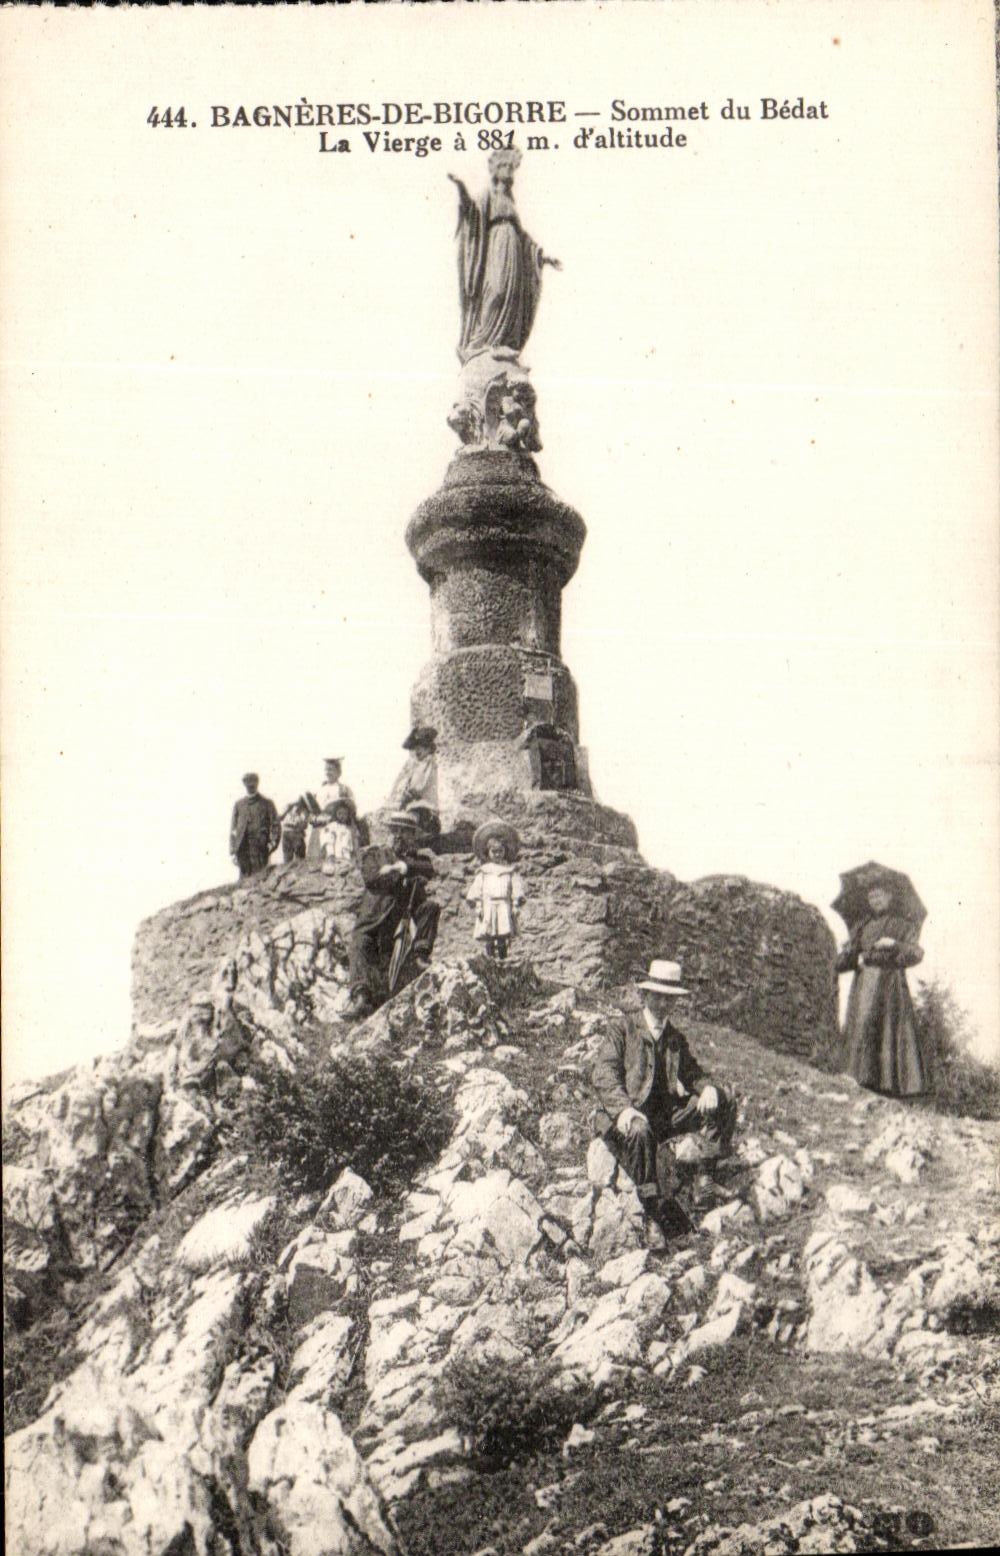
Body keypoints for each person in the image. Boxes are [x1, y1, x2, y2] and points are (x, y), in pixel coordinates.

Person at [589, 959, 737, 1249]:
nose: (663, 1002)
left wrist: (707, 1088)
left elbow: (693, 1073)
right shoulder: (623, 1028)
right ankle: (652, 1211)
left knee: (724, 1097)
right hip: (626, 1117)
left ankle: (705, 1177)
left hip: (664, 1119)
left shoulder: (674, 1039)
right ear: (646, 995)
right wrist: (623, 1108)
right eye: (657, 995)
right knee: (641, 1131)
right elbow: (603, 1073)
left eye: (669, 997)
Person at [449, 149, 561, 366]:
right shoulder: (487, 195)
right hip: (496, 247)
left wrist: (542, 257)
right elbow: (472, 213)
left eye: (511, 167)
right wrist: (461, 188)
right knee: (496, 290)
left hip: (514, 251)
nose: (509, 171)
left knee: (512, 298)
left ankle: (502, 342)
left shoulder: (511, 202)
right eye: (505, 167)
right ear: (495, 170)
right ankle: (479, 343)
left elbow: (523, 236)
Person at [346, 809, 440, 1018]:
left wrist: (404, 866)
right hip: (374, 917)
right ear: (390, 832)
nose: (399, 836)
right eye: (396, 830)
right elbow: (372, 878)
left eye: (405, 832)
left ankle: (420, 954)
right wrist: (400, 873)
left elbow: (429, 868)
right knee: (360, 944)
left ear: (412, 836)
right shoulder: (375, 854)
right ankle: (361, 996)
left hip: (400, 916)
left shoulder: (415, 859)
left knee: (430, 907)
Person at [836, 884, 928, 1096]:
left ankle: (885, 1086)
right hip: (864, 985)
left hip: (890, 987)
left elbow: (916, 953)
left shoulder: (904, 925)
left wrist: (894, 944)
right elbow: (846, 961)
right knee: (862, 1027)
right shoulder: (862, 926)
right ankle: (859, 1080)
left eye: (878, 895)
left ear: (890, 896)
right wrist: (849, 952)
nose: (874, 900)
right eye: (870, 897)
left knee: (887, 1032)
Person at [466, 821, 526, 961]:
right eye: (494, 851)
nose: (497, 854)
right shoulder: (483, 872)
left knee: (501, 935)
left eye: (500, 851)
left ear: (505, 852)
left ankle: (503, 958)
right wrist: (478, 906)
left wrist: (515, 904)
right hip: (488, 905)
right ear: (488, 852)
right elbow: (477, 891)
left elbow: (515, 889)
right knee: (489, 934)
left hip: (503, 905)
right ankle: (490, 959)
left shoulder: (509, 871)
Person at [229, 773, 280, 880]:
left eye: (253, 783)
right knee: (244, 881)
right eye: (248, 783)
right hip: (242, 849)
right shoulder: (239, 805)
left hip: (260, 849)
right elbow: (233, 830)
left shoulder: (267, 803)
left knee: (260, 879)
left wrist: (272, 843)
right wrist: (233, 851)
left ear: (257, 784)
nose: (251, 786)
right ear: (244, 784)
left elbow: (276, 824)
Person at [388, 726, 440, 817]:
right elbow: (400, 781)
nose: (417, 750)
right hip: (412, 804)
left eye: (422, 747)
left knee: (413, 813)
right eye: (416, 747)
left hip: (427, 807)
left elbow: (421, 786)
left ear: (428, 749)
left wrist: (409, 795)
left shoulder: (430, 765)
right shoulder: (413, 764)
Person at [279, 798, 310, 863]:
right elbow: (304, 824)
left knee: (287, 858)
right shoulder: (304, 810)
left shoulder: (289, 806)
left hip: (287, 832)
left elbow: (280, 817)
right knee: (300, 858)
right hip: (296, 833)